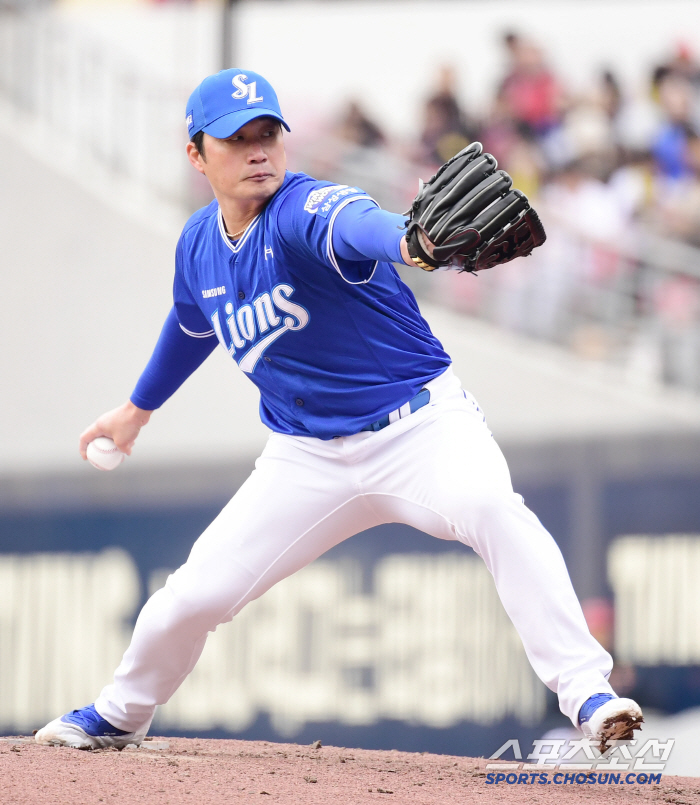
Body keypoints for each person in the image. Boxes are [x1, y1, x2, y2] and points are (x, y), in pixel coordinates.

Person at [35, 69, 642, 752]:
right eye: (236, 139)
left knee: (493, 508)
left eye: (267, 133)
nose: (258, 150)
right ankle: (122, 711)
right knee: (192, 593)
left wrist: (412, 241)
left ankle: (588, 691)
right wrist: (136, 409)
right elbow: (191, 326)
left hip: (419, 428)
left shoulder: (304, 210)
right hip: (306, 456)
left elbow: (361, 226)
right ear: (197, 155)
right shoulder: (198, 244)